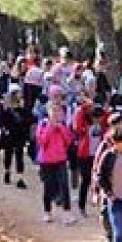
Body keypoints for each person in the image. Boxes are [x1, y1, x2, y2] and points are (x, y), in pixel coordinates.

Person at [35, 93, 77, 225]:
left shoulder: (62, 125)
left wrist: (60, 128)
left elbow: (68, 140)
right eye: (53, 110)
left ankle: (67, 212)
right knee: (48, 187)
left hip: (60, 159)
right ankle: (47, 212)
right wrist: (50, 127)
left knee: (64, 185)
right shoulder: (42, 125)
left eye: (58, 111)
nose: (56, 113)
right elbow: (42, 141)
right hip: (46, 161)